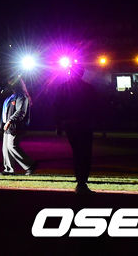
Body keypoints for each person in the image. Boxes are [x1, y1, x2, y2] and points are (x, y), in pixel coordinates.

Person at [53, 65, 97, 194]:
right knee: (85, 153)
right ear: (82, 73)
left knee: (77, 153)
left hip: (69, 124)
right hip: (83, 124)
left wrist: (59, 125)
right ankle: (82, 182)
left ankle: (80, 182)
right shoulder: (88, 88)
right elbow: (94, 107)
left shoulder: (62, 87)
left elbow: (56, 106)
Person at [0, 76, 36, 176]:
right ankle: (8, 169)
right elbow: (4, 111)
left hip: (15, 126)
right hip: (9, 126)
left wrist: (9, 121)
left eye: (11, 83)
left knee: (11, 146)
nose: (9, 85)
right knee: (5, 148)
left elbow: (21, 112)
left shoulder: (22, 96)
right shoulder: (10, 97)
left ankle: (30, 165)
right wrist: (3, 123)